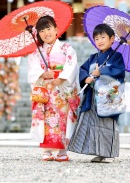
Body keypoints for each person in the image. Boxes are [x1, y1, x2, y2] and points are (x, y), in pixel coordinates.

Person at [68, 23, 125, 163]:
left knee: (107, 125)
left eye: (103, 37)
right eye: (97, 38)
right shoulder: (93, 57)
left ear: (112, 39)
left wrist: (103, 71)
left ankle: (109, 153)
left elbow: (119, 72)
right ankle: (98, 152)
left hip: (108, 98)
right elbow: (82, 69)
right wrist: (86, 77)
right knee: (93, 124)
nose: (99, 40)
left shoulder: (116, 57)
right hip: (93, 96)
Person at [28, 15, 80, 162]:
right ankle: (46, 150)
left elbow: (72, 65)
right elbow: (33, 70)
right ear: (38, 34)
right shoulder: (36, 52)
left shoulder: (66, 49)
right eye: (42, 30)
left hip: (62, 90)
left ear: (56, 29)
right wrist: (43, 74)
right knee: (45, 119)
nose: (46, 32)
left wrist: (62, 78)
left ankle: (63, 150)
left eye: (49, 28)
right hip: (46, 90)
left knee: (63, 119)